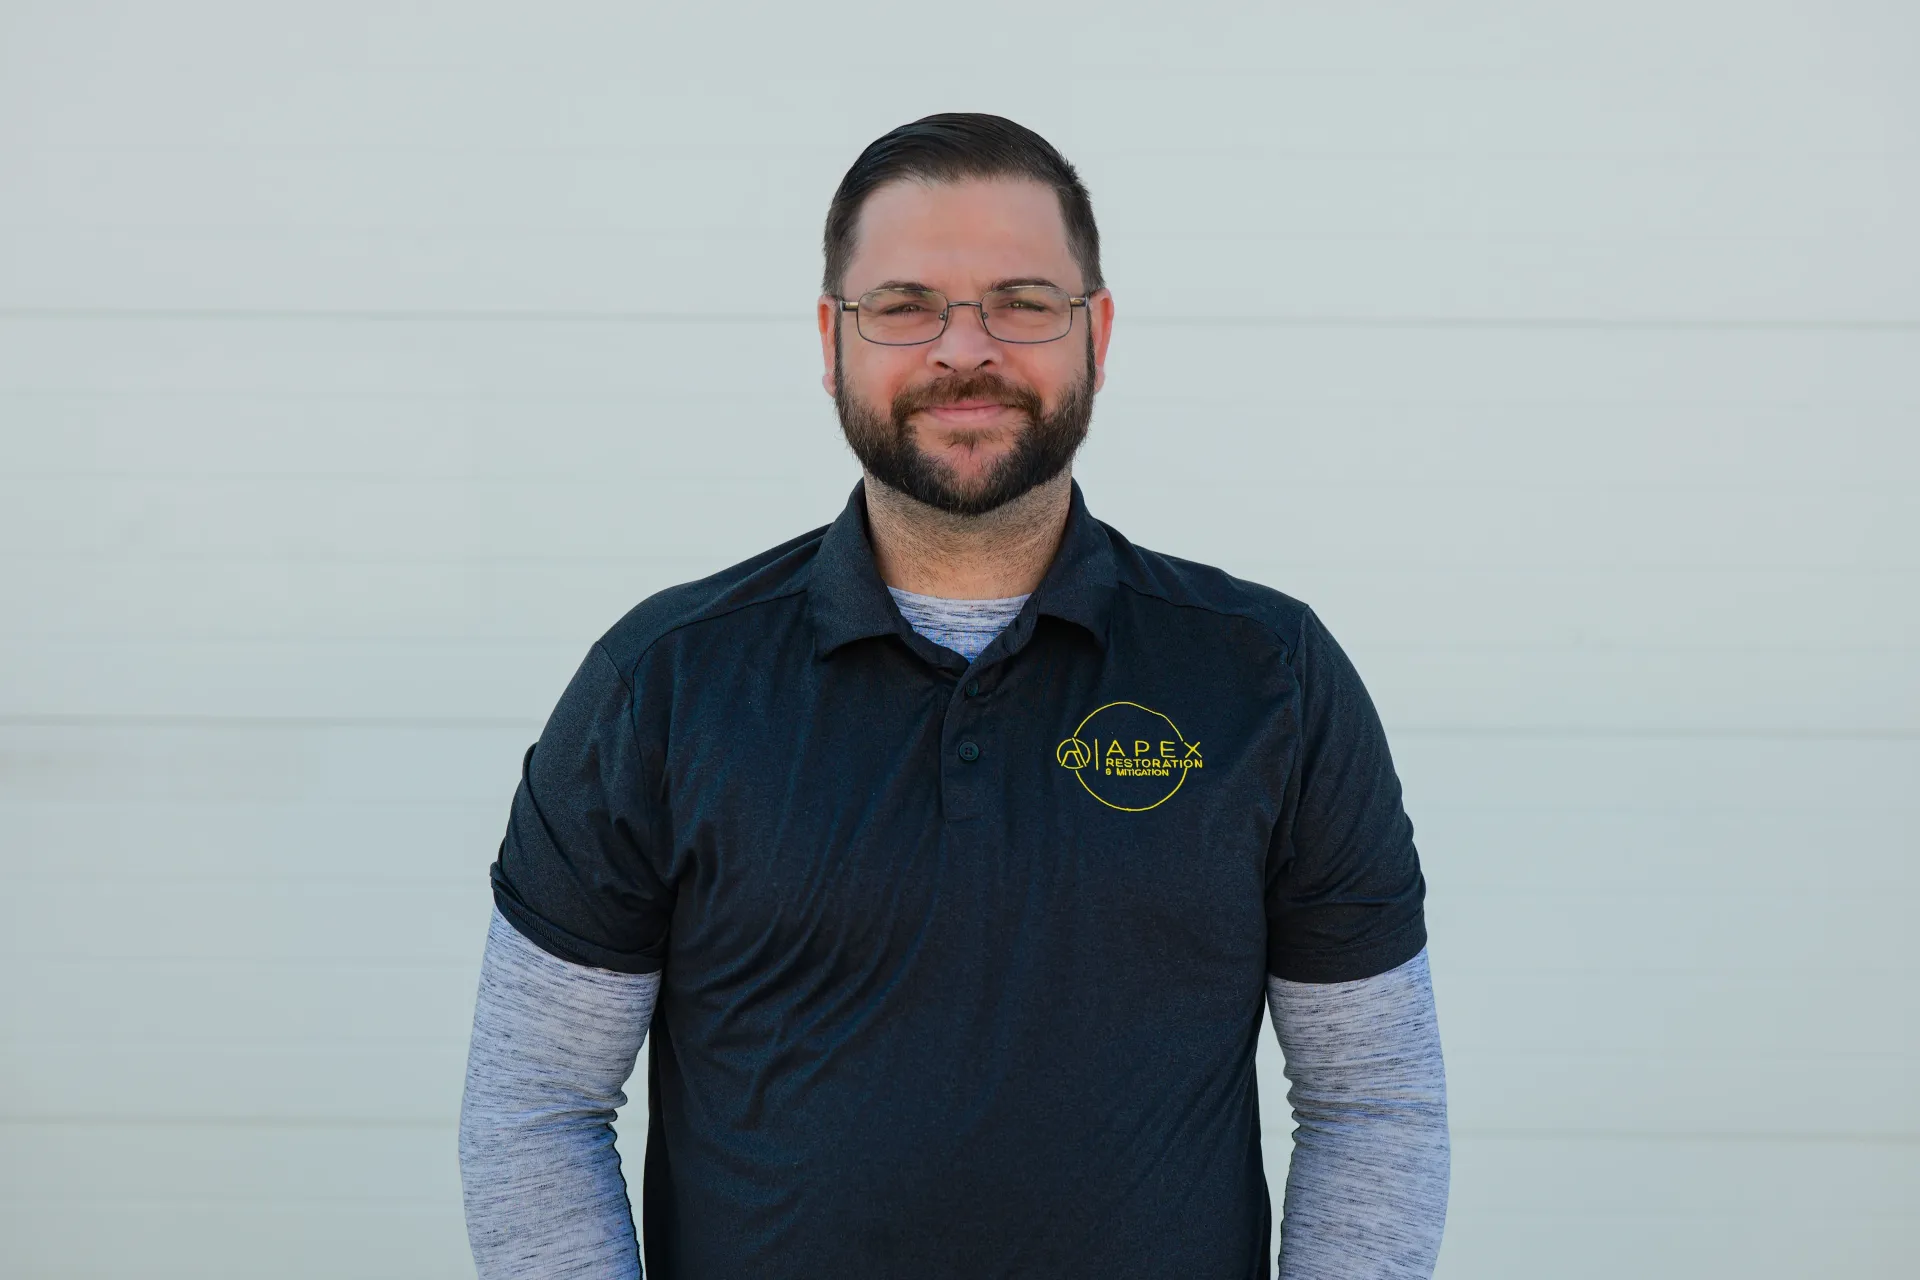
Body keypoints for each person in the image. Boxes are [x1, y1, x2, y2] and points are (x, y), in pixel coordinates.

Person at [460, 112, 1448, 1280]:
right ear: (832, 338)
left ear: (1100, 333)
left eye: (1024, 301)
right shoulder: (664, 684)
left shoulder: (1266, 676)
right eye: (905, 304)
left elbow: (1370, 1096)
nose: (964, 348)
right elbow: (538, 1101)